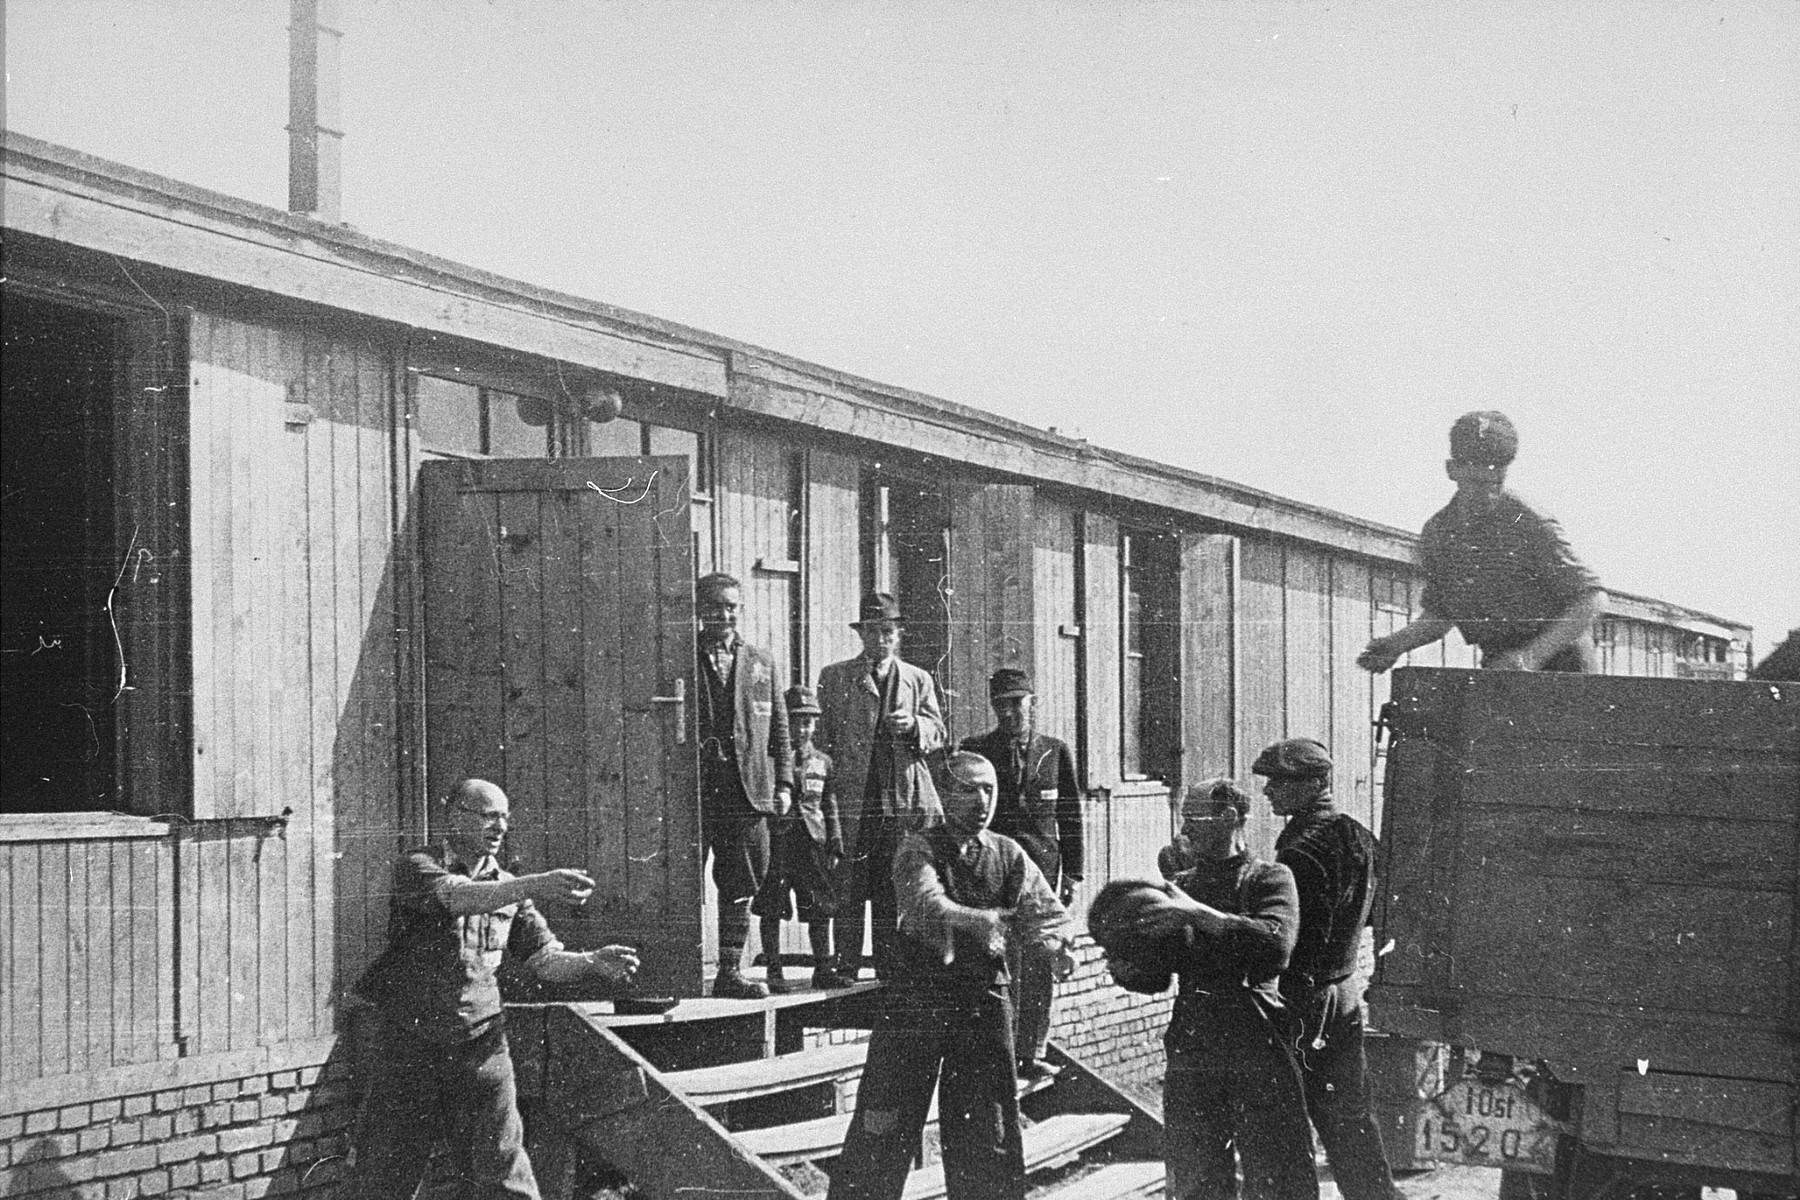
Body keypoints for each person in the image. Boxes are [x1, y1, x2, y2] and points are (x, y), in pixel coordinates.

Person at [348, 778, 641, 1200]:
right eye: (488, 815)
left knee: (506, 1171)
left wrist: (590, 962)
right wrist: (532, 884)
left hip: (481, 1046)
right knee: (383, 1175)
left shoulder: (510, 887)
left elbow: (544, 959)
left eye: (504, 817)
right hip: (410, 1047)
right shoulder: (416, 865)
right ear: (454, 817)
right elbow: (458, 897)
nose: (499, 826)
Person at [826, 752, 1072, 1200]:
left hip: (982, 1003)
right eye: (969, 789)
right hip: (918, 1001)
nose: (982, 801)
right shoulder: (917, 848)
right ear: (943, 793)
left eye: (989, 790)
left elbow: (1044, 913)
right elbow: (924, 903)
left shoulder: (1007, 852)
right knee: (885, 1120)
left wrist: (1054, 947)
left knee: (988, 1127)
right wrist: (978, 921)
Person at [1111, 779, 1318, 1200]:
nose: (1184, 829)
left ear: (1228, 819)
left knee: (1278, 1176)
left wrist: (1198, 914)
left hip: (1259, 1043)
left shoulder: (1270, 879)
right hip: (1195, 1046)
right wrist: (1126, 963)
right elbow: (1157, 975)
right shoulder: (1180, 884)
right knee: (1196, 1180)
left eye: (1193, 818)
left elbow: (1275, 946)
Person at [1255, 737, 1402, 1200]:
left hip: (1302, 996)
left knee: (1286, 1121)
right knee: (1351, 1118)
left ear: (1316, 784)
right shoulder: (1360, 836)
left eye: (1280, 782)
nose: (1268, 791)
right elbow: (1383, 915)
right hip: (1343, 992)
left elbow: (1290, 939)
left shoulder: (1299, 852)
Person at [1358, 410, 1608, 674]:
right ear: (1451, 470)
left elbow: (1592, 598)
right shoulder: (1439, 532)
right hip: (1500, 660)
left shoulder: (1526, 520)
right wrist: (1395, 644)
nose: (1488, 495)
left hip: (1561, 663)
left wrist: (1531, 657)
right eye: (1477, 483)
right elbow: (1442, 614)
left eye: (1496, 483)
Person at [959, 667, 1084, 1081]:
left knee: (1039, 964)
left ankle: (1032, 1051)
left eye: (1017, 702)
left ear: (1032, 702)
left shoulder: (1055, 751)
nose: (1009, 712)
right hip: (995, 874)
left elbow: (1070, 816)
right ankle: (1001, 1052)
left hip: (1044, 874)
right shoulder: (977, 749)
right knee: (1000, 963)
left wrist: (1074, 873)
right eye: (1001, 704)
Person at [816, 591, 947, 980]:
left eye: (888, 632)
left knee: (892, 886)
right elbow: (823, 739)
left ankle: (890, 967)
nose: (881, 640)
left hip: (900, 800)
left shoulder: (917, 680)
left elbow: (938, 731)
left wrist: (916, 727)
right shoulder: (836, 676)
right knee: (850, 886)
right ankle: (846, 965)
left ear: (898, 635)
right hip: (856, 799)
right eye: (873, 632)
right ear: (862, 635)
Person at [695, 571, 795, 999]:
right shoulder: (683, 654)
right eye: (716, 606)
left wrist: (786, 783)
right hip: (695, 788)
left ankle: (730, 971)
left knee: (742, 879)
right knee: (682, 878)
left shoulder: (760, 661)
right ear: (701, 610)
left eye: (732, 606)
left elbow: (780, 731)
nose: (724, 614)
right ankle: (674, 970)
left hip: (747, 789)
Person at [754, 685, 850, 990]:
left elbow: (829, 803)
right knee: (772, 904)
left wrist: (835, 841)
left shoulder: (822, 761)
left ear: (816, 724)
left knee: (820, 906)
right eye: (795, 721)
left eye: (808, 722)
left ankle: (824, 968)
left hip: (812, 843)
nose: (802, 729)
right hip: (779, 841)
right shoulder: (770, 761)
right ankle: (773, 970)